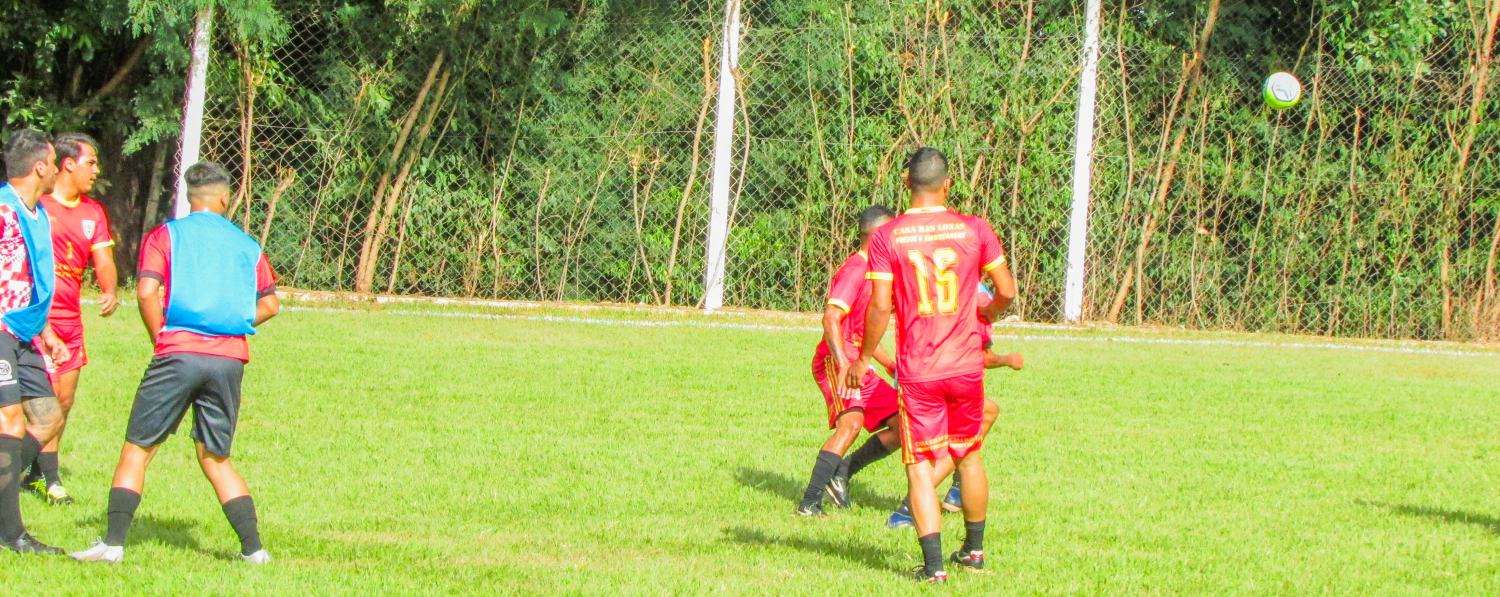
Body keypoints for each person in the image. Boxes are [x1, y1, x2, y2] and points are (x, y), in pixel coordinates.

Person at [71, 161, 280, 564]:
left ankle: (112, 544)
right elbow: (270, 305)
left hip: (178, 351)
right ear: (225, 198)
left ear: (189, 197)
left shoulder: (166, 235)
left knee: (138, 449)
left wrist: (160, 339)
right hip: (228, 360)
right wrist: (231, 324)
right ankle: (255, 551)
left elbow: (146, 291)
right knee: (216, 458)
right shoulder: (247, 244)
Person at [846, 147, 1016, 583]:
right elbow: (1007, 291)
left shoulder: (888, 236)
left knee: (920, 463)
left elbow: (880, 306)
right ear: (948, 184)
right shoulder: (975, 228)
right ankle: (974, 552)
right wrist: (989, 313)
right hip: (965, 364)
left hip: (920, 369)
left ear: (906, 182)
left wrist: (863, 358)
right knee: (969, 454)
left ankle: (934, 567)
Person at [21, 133, 118, 505]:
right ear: (68, 164)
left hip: (71, 320)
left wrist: (109, 289)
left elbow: (103, 259)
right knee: (42, 401)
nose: (96, 170)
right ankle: (51, 478)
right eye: (90, 162)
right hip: (38, 321)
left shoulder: (93, 212)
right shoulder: (37, 206)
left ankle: (34, 472)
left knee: (63, 400)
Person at [885, 282, 1022, 529]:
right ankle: (908, 510)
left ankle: (956, 492)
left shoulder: (931, 278)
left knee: (981, 417)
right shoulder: (978, 295)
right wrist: (1009, 359)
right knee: (963, 440)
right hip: (947, 379)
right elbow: (984, 356)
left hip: (913, 373)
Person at [796, 205, 901, 516]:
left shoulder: (878, 272)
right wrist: (843, 365)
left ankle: (842, 471)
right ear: (880, 236)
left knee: (903, 426)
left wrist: (889, 365)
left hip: (858, 364)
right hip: (836, 361)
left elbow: (862, 332)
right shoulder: (856, 268)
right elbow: (831, 318)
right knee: (850, 425)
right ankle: (809, 504)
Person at [0, 128, 71, 554]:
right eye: (54, 163)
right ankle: (11, 533)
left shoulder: (37, 214)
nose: (58, 170)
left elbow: (29, 281)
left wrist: (46, 332)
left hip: (23, 333)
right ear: (40, 167)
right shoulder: (2, 210)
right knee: (9, 420)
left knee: (47, 419)